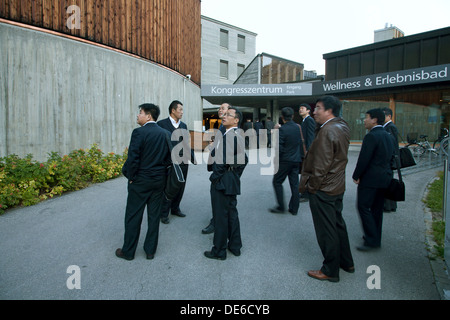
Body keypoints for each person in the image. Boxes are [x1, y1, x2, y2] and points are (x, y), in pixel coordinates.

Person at [299, 95, 354, 282]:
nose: (314, 111)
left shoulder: (327, 131)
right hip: (337, 186)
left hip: (324, 189)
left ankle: (330, 270)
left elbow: (320, 166)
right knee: (338, 225)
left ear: (329, 110)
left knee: (326, 231)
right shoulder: (341, 125)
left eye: (318, 108)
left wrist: (312, 188)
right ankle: (346, 262)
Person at [116, 103, 170, 261]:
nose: (137, 115)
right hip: (159, 181)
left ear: (148, 116)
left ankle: (128, 251)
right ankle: (150, 251)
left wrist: (131, 176)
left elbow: (133, 158)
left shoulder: (139, 132)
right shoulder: (165, 133)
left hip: (140, 180)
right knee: (154, 217)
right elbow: (169, 158)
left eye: (140, 112)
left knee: (133, 216)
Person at [204, 106, 248, 260]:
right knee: (231, 214)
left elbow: (221, 163)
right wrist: (234, 174)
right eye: (224, 114)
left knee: (220, 217)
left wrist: (216, 178)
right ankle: (235, 246)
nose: (224, 116)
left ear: (236, 120)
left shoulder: (230, 136)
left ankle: (219, 251)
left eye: (229, 115)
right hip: (230, 182)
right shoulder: (236, 134)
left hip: (222, 183)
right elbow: (244, 160)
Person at [352, 108, 394, 252]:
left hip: (370, 179)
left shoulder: (371, 136)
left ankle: (370, 239)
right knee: (377, 209)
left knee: (363, 207)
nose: (364, 120)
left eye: (367, 117)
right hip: (384, 178)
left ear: (374, 119)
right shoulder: (388, 135)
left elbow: (364, 159)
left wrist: (356, 175)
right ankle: (376, 237)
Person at [157, 100, 196, 224]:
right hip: (168, 162)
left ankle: (175, 208)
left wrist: (192, 157)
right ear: (173, 110)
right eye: (180, 110)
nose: (182, 112)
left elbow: (186, 143)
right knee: (168, 187)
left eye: (182, 110)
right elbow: (159, 144)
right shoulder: (161, 124)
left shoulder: (183, 125)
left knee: (180, 185)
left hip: (183, 160)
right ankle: (164, 212)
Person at [202, 103, 229, 234]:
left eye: (223, 108)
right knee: (220, 200)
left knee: (218, 198)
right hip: (219, 169)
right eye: (219, 108)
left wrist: (215, 176)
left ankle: (216, 223)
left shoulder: (228, 128)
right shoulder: (222, 126)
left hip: (220, 171)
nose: (220, 110)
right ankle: (219, 220)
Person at [270, 107, 301, 215]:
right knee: (295, 184)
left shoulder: (282, 129)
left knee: (277, 182)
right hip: (296, 160)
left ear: (282, 117)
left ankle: (281, 207)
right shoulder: (297, 127)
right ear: (292, 116)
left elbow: (279, 147)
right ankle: (294, 208)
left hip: (285, 161)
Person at [382, 107, 400, 213]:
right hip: (390, 160)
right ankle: (389, 205)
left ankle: (388, 206)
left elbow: (392, 145)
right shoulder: (387, 127)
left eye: (383, 115)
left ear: (389, 116)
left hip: (389, 160)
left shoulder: (390, 127)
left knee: (388, 183)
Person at [298, 103, 316, 202]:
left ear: (308, 110)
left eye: (302, 108)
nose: (300, 110)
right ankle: (304, 191)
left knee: (307, 172)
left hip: (307, 152)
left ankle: (307, 193)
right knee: (304, 172)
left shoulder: (309, 121)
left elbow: (311, 136)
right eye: (300, 108)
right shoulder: (304, 121)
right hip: (303, 151)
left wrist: (309, 151)